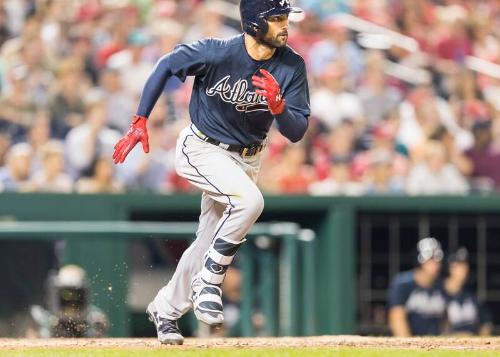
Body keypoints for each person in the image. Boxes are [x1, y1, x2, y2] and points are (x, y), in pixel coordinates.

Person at [112, 0, 310, 345]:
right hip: (201, 147)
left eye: (285, 18)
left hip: (247, 159)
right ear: (253, 23)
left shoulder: (292, 65)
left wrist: (279, 106)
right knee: (249, 203)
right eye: (277, 18)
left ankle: (167, 308)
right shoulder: (217, 52)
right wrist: (139, 119)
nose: (285, 25)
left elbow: (296, 131)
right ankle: (210, 279)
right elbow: (165, 65)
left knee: (206, 241)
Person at [388, 237, 447, 336]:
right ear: (419, 260)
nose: (435, 264)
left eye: (437, 259)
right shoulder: (404, 284)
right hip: (411, 344)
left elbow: (446, 320)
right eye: (431, 259)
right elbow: (396, 318)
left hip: (434, 345)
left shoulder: (440, 286)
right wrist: (408, 346)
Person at [444, 247, 493, 336]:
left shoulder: (471, 295)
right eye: (459, 265)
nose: (464, 269)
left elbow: (486, 323)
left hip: (471, 345)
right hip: (446, 345)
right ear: (450, 267)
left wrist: (480, 342)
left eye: (465, 265)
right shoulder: (439, 293)